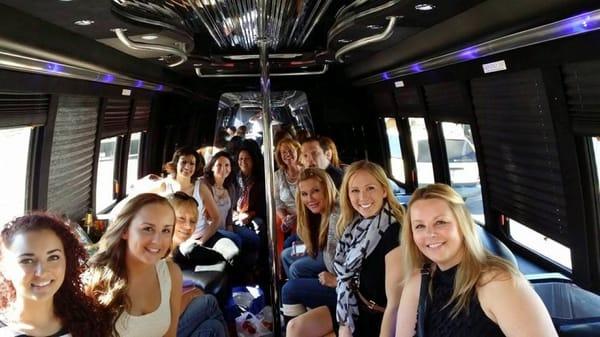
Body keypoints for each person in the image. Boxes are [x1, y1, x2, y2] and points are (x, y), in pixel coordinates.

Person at [395, 184, 558, 337]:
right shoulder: (419, 282)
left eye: (440, 222)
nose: (430, 233)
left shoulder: (498, 283)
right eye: (419, 226)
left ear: (462, 225)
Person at [287, 161, 405, 337]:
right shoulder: (356, 226)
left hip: (377, 317)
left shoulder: (394, 232)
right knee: (296, 327)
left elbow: (395, 306)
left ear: (384, 190)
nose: (363, 197)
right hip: (354, 306)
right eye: (355, 191)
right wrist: (344, 323)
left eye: (370, 188)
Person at [85, 193, 182, 337]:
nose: (157, 240)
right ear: (125, 231)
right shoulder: (95, 278)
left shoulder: (172, 273)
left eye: (166, 230)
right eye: (148, 229)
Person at [0, 213, 109, 337]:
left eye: (53, 257)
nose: (41, 272)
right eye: (27, 260)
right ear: (4, 268)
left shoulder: (88, 325)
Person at [282, 168, 339, 328]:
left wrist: (334, 280)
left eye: (315, 191)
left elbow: (335, 263)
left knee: (293, 276)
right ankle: (305, 308)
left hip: (341, 283)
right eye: (304, 194)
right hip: (329, 260)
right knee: (287, 255)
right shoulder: (315, 214)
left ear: (326, 189)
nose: (310, 199)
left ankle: (305, 315)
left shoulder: (336, 214)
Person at [274, 138, 302, 248]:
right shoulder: (277, 175)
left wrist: (297, 216)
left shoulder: (307, 171)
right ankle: (279, 262)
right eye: (283, 152)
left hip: (305, 214)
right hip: (286, 214)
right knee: (277, 224)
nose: (287, 154)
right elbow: (277, 201)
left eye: (290, 150)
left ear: (298, 151)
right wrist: (284, 218)